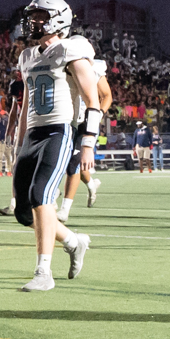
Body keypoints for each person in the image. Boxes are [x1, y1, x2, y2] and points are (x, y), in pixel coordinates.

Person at [12, 0, 97, 292]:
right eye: (32, 16)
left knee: (41, 195)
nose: (34, 22)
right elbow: (26, 106)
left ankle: (43, 272)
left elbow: (93, 99)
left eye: (40, 17)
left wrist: (88, 142)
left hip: (59, 131)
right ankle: (74, 242)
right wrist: (18, 142)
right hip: (33, 134)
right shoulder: (27, 55)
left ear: (58, 20)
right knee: (23, 212)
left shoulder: (72, 48)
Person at [57, 50, 111, 219]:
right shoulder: (60, 67)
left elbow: (107, 95)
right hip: (65, 119)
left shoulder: (94, 70)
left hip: (84, 122)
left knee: (73, 163)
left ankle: (65, 208)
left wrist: (99, 113)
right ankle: (91, 184)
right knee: (68, 162)